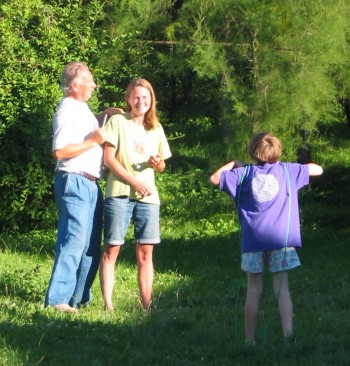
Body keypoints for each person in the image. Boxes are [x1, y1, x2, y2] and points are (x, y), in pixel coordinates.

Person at [209, 132, 323, 343]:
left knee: (253, 290)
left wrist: (233, 163)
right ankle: (288, 336)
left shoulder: (242, 174)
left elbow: (214, 179)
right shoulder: (289, 171)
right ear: (278, 152)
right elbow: (318, 169)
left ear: (253, 152)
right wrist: (296, 165)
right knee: (282, 289)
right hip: (282, 242)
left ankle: (249, 339)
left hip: (253, 243)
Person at [45, 61, 119, 313]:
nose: (94, 85)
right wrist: (93, 141)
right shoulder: (66, 109)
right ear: (75, 85)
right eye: (90, 80)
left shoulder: (81, 109)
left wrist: (103, 115)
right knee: (74, 240)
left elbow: (85, 133)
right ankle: (57, 300)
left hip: (89, 183)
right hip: (73, 179)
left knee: (89, 245)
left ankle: (78, 298)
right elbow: (60, 151)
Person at [100, 78, 172, 311]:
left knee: (145, 252)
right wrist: (133, 181)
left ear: (152, 100)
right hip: (120, 193)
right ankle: (108, 305)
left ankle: (146, 305)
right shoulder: (118, 121)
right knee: (112, 248)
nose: (141, 101)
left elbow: (162, 166)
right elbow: (108, 159)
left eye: (145, 97)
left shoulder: (156, 128)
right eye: (136, 97)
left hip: (148, 197)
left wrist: (158, 163)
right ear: (128, 99)